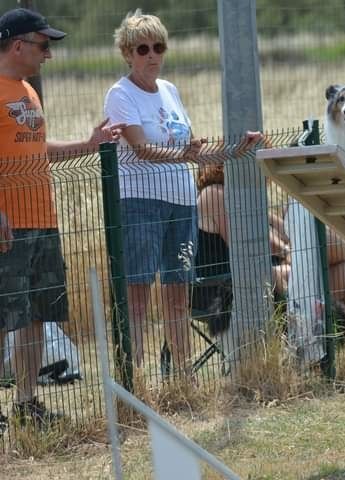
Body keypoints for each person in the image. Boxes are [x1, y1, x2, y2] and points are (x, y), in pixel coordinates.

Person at [0, 8, 122, 427]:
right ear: (18, 45)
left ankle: (26, 403)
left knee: (36, 315)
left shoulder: (27, 92)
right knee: (4, 316)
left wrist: (87, 145)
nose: (47, 55)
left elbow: (37, 147)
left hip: (42, 220)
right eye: (43, 45)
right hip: (8, 226)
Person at [104, 9, 209, 375]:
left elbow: (184, 143)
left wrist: (203, 151)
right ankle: (133, 380)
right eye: (142, 49)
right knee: (137, 293)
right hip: (140, 202)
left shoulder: (170, 91)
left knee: (178, 292)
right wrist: (185, 153)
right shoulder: (120, 94)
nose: (152, 56)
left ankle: (182, 375)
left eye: (158, 47)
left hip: (181, 201)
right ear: (128, 54)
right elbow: (139, 147)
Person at [193, 162, 345, 350]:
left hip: (276, 279)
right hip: (228, 289)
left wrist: (292, 242)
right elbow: (248, 246)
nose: (266, 180)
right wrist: (290, 251)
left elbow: (285, 232)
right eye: (263, 169)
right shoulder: (214, 195)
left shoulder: (244, 200)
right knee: (313, 251)